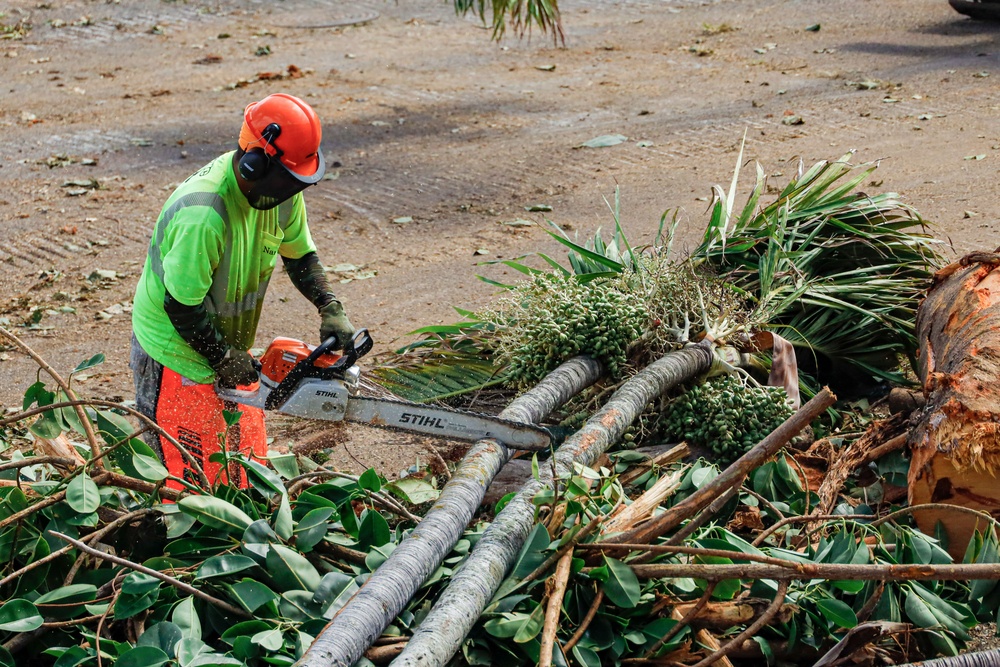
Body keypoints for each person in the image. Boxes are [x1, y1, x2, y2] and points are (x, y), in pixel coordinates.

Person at [130, 93, 355, 490]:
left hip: (227, 345)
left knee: (247, 472)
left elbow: (299, 255)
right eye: (286, 179)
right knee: (188, 482)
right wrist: (222, 356)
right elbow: (181, 307)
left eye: (296, 181)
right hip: (175, 352)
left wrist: (329, 306)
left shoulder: (280, 192)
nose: (290, 191)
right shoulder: (203, 214)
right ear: (255, 160)